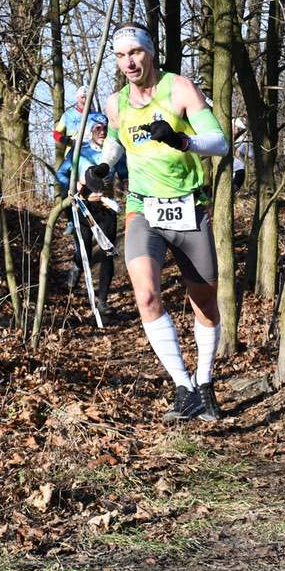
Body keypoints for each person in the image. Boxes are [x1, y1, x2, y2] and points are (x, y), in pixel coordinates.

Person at [99, 21, 229, 422]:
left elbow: (220, 142)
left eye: (135, 52)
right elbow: (115, 143)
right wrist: (102, 167)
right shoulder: (116, 103)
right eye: (121, 56)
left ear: (150, 52)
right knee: (146, 297)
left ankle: (204, 382)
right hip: (143, 209)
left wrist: (180, 139)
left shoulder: (180, 89)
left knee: (205, 302)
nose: (128, 62)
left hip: (189, 206)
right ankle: (183, 387)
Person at [66, 116, 121, 317]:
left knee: (108, 253)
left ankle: (103, 301)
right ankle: (76, 268)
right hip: (83, 207)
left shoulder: (115, 152)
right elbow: (62, 175)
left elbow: (127, 175)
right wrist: (76, 186)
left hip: (106, 208)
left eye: (105, 128)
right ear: (90, 131)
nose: (102, 131)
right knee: (85, 252)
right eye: (98, 128)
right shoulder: (79, 151)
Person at [55, 85, 104, 233]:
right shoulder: (68, 115)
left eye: (87, 97)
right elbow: (56, 133)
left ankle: (95, 222)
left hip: (91, 159)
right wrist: (64, 139)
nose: (84, 100)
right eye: (82, 97)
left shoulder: (96, 116)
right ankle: (71, 221)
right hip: (72, 159)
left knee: (91, 192)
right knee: (68, 190)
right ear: (77, 98)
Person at [232, 117, 251, 192]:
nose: (236, 130)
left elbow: (252, 154)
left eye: (238, 128)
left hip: (238, 173)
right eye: (235, 127)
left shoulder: (242, 141)